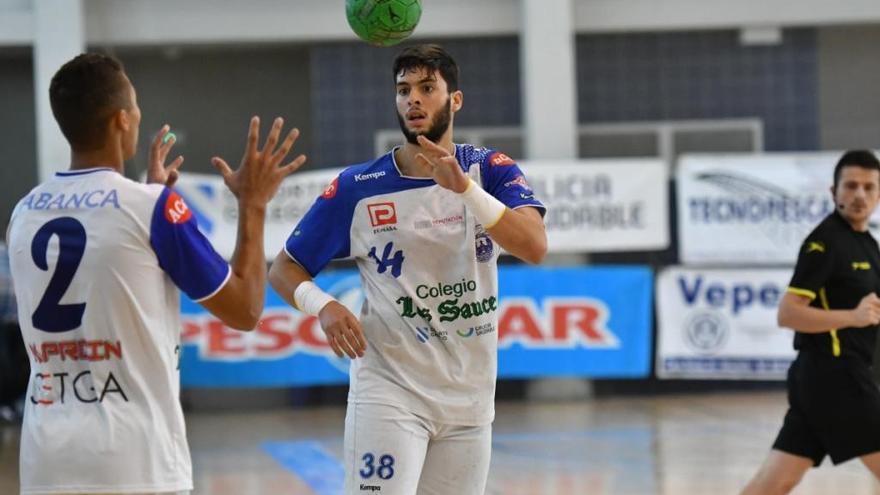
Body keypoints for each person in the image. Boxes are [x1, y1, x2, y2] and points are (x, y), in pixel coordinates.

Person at [7, 53, 306, 495]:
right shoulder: (151, 210)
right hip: (136, 464)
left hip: (46, 463)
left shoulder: (24, 212)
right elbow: (244, 309)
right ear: (122, 120)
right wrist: (254, 203)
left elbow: (106, 253)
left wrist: (151, 203)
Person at [269, 43, 547, 494]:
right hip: (389, 391)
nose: (413, 99)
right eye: (403, 90)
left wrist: (466, 192)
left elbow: (534, 246)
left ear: (454, 99)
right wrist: (321, 305)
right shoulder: (358, 187)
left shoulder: (490, 171)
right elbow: (285, 268)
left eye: (426, 88)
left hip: (470, 400)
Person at [741, 150, 880, 494]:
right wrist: (852, 317)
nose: (859, 195)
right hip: (837, 378)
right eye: (850, 186)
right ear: (834, 193)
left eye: (868, 187)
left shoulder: (866, 244)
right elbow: (788, 313)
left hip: (822, 382)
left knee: (773, 483)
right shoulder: (825, 243)